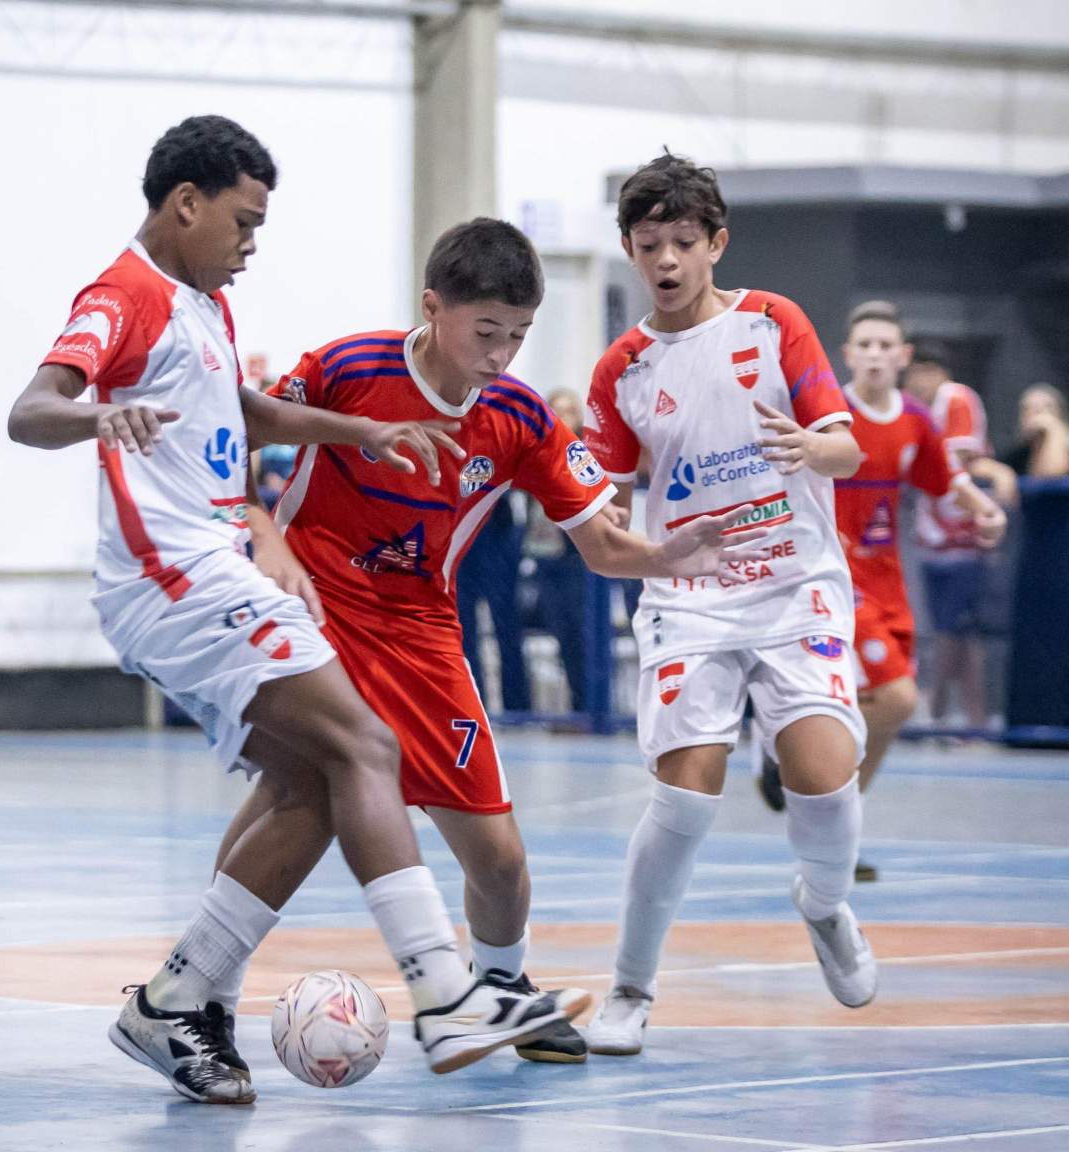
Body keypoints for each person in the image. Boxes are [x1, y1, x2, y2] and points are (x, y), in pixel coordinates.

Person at [6, 117, 591, 1104]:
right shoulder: (125, 296)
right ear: (185, 204)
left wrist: (358, 432)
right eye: (243, 221)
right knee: (365, 745)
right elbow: (30, 410)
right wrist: (100, 413)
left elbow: (244, 412)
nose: (252, 243)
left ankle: (177, 1002)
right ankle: (444, 994)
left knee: (316, 786)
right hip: (172, 575)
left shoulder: (202, 306)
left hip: (212, 569)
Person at [220, 216, 770, 1066]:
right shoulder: (347, 368)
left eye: (518, 335)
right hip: (314, 614)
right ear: (432, 308)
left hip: (422, 634)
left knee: (500, 859)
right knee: (298, 801)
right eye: (485, 332)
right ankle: (206, 995)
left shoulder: (519, 417)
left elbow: (600, 543)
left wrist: (664, 555)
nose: (501, 354)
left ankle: (503, 990)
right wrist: (265, 536)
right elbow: (233, 443)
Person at [581, 150, 878, 1058]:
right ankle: (630, 988)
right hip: (689, 598)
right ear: (630, 252)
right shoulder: (622, 369)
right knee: (686, 795)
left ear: (716, 242)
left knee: (824, 776)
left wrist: (811, 449)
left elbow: (847, 450)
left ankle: (823, 904)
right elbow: (605, 512)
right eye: (648, 245)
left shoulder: (773, 322)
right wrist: (629, 542)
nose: (665, 260)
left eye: (681, 242)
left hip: (795, 585)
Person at [756, 304, 1007, 881]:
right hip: (830, 578)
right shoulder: (826, 415)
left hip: (889, 581)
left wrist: (985, 509)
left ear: (902, 356)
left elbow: (946, 479)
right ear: (847, 354)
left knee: (884, 714)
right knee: (896, 699)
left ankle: (825, 813)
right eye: (863, 344)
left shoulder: (915, 419)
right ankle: (797, 767)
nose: (874, 354)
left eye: (884, 345)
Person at [903, 339, 1015, 732]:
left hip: (965, 540)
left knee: (955, 632)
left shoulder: (956, 398)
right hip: (932, 539)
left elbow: (958, 460)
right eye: (913, 373)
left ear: (939, 372)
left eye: (924, 372)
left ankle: (937, 709)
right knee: (954, 633)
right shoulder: (914, 408)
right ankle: (969, 720)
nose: (918, 381)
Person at [522, 388, 590, 716]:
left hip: (579, 559)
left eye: (569, 411)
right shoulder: (534, 454)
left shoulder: (584, 457)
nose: (563, 418)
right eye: (557, 411)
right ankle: (576, 708)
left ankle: (589, 707)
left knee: (582, 634)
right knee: (561, 634)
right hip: (544, 557)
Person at [456, 485, 532, 713]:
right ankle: (472, 705)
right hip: (459, 528)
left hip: (496, 522)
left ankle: (517, 709)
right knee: (463, 629)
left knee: (507, 625)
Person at [1001, 384, 1069, 478]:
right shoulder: (1018, 455)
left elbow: (1051, 476)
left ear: (1060, 413)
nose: (1036, 413)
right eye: (1027, 409)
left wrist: (1054, 429)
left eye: (1047, 407)